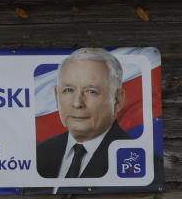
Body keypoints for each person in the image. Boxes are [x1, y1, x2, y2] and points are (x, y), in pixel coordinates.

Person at [36, 48, 131, 180]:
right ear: (57, 96)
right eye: (69, 90)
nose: (77, 103)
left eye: (91, 91)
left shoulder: (139, 161)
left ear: (117, 100)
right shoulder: (39, 155)